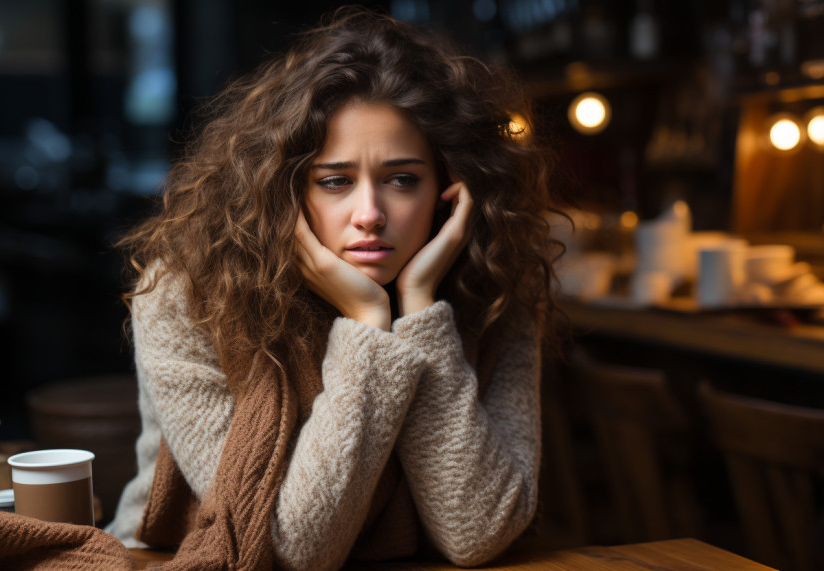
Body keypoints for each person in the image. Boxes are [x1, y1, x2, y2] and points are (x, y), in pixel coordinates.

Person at [106, 7, 560, 570]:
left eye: (402, 179)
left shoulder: (493, 289)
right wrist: (369, 323)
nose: (369, 214)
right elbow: (295, 548)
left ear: (450, 187)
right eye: (335, 181)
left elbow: (477, 532)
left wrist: (419, 314)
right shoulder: (186, 295)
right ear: (285, 191)